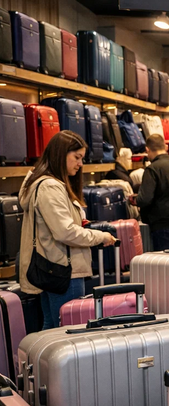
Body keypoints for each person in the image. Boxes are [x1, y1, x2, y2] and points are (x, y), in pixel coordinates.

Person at [18, 131, 117, 330]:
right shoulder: (50, 187)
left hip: (51, 267)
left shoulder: (43, 184)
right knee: (69, 331)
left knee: (53, 328)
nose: (80, 164)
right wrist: (100, 236)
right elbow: (65, 232)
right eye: (77, 157)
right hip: (64, 271)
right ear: (60, 154)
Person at [130, 134, 169, 251]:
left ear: (147, 149)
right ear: (165, 147)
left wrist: (135, 200)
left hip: (165, 224)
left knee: (167, 261)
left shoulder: (152, 169)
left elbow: (145, 199)